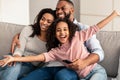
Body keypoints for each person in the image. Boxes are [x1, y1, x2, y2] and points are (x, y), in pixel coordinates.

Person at [0, 10, 119, 80]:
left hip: (95, 71)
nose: (62, 33)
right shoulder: (56, 52)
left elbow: (96, 27)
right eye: (58, 30)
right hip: (80, 76)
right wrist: (14, 57)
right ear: (54, 33)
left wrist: (114, 15)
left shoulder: (78, 36)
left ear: (70, 30)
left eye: (65, 30)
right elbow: (39, 57)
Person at [0, 8, 55, 80]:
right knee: (13, 68)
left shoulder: (52, 41)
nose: (44, 23)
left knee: (10, 73)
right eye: (43, 19)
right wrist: (15, 59)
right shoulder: (28, 29)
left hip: (30, 66)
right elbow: (19, 50)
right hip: (16, 57)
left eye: (49, 21)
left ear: (53, 24)